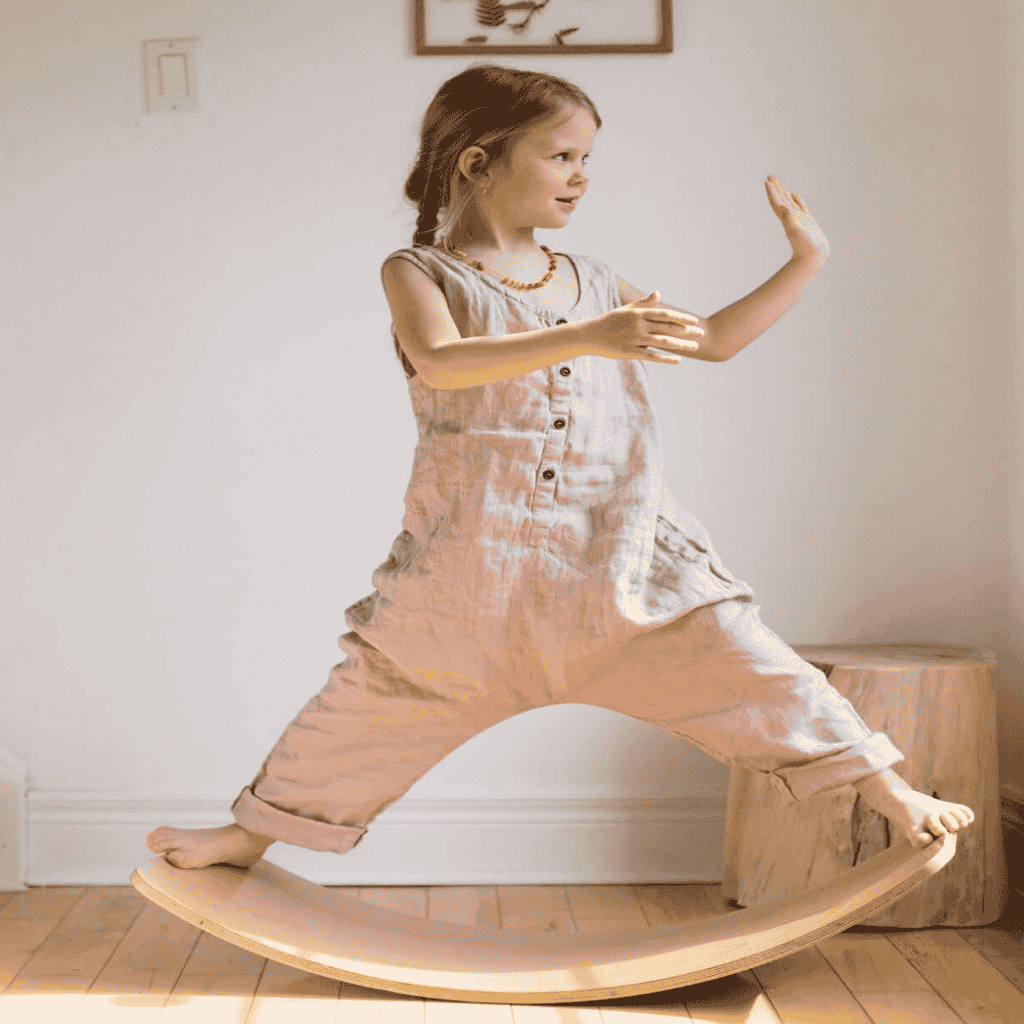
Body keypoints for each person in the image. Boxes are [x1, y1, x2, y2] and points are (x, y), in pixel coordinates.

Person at [148, 64, 973, 871]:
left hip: (617, 569)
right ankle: (248, 837)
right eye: (562, 156)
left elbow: (714, 341)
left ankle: (893, 794)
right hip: (473, 575)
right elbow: (440, 360)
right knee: (366, 710)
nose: (581, 178)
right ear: (479, 162)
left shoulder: (597, 283)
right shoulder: (420, 270)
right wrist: (588, 337)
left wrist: (807, 261)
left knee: (755, 668)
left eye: (587, 161)